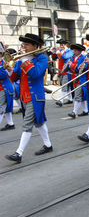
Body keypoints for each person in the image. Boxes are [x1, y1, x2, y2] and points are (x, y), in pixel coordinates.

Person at [5, 34, 53, 163]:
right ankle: (48, 145)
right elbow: (15, 78)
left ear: (34, 46)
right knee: (39, 122)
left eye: (26, 45)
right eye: (23, 45)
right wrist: (10, 70)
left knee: (27, 124)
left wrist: (25, 61)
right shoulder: (23, 59)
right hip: (23, 96)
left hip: (35, 96)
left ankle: (18, 153)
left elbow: (36, 74)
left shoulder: (41, 58)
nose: (23, 47)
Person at [65, 44, 89, 118]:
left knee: (78, 96)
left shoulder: (83, 58)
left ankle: (74, 112)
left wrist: (71, 65)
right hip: (73, 79)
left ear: (79, 51)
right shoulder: (72, 58)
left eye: (75, 50)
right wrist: (67, 66)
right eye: (73, 50)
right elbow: (71, 68)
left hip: (80, 79)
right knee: (80, 96)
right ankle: (85, 110)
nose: (74, 52)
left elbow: (79, 69)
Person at [0, 47, 15, 130]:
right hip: (3, 88)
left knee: (1, 107)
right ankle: (10, 123)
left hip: (4, 88)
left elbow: (2, 75)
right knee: (7, 107)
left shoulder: (4, 63)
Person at [55, 39, 73, 107]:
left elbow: (65, 57)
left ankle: (61, 100)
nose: (61, 46)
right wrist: (54, 52)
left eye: (62, 44)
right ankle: (70, 99)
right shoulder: (60, 51)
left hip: (66, 71)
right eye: (60, 44)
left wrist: (59, 53)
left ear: (66, 45)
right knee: (67, 86)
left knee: (64, 86)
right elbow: (54, 58)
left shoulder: (69, 51)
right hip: (60, 70)